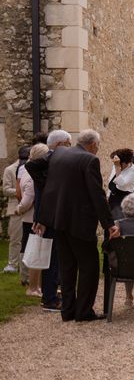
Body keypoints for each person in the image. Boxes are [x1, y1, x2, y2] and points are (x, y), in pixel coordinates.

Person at [37, 129, 120, 322]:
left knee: (67, 267)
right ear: (92, 145)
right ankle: (83, 311)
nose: (97, 149)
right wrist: (109, 224)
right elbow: (97, 195)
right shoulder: (89, 160)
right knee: (89, 266)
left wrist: (48, 199)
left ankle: (68, 310)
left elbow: (35, 167)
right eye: (98, 146)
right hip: (80, 222)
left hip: (59, 220)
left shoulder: (60, 153)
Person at [26, 129, 72, 312]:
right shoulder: (46, 165)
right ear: (60, 145)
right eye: (67, 144)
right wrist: (40, 219)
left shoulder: (48, 166)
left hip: (49, 217)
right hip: (50, 218)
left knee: (54, 258)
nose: (69, 148)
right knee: (51, 259)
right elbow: (42, 194)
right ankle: (50, 299)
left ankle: (51, 294)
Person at [16, 144, 49, 297]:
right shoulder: (32, 175)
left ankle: (38, 286)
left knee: (36, 251)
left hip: (33, 217)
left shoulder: (26, 171)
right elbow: (29, 197)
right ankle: (33, 287)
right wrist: (20, 208)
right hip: (33, 218)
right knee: (36, 252)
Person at [2, 146, 29, 274]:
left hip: (29, 208)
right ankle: (12, 264)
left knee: (29, 239)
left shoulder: (31, 168)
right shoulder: (9, 169)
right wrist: (20, 191)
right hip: (15, 208)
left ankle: (26, 266)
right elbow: (6, 190)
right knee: (15, 239)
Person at [107, 148, 134, 220]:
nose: (115, 164)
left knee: (119, 223)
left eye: (118, 163)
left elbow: (121, 184)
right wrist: (108, 196)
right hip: (112, 197)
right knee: (109, 223)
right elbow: (111, 181)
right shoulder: (116, 165)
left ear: (125, 162)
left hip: (123, 199)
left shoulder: (133, 170)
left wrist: (118, 167)